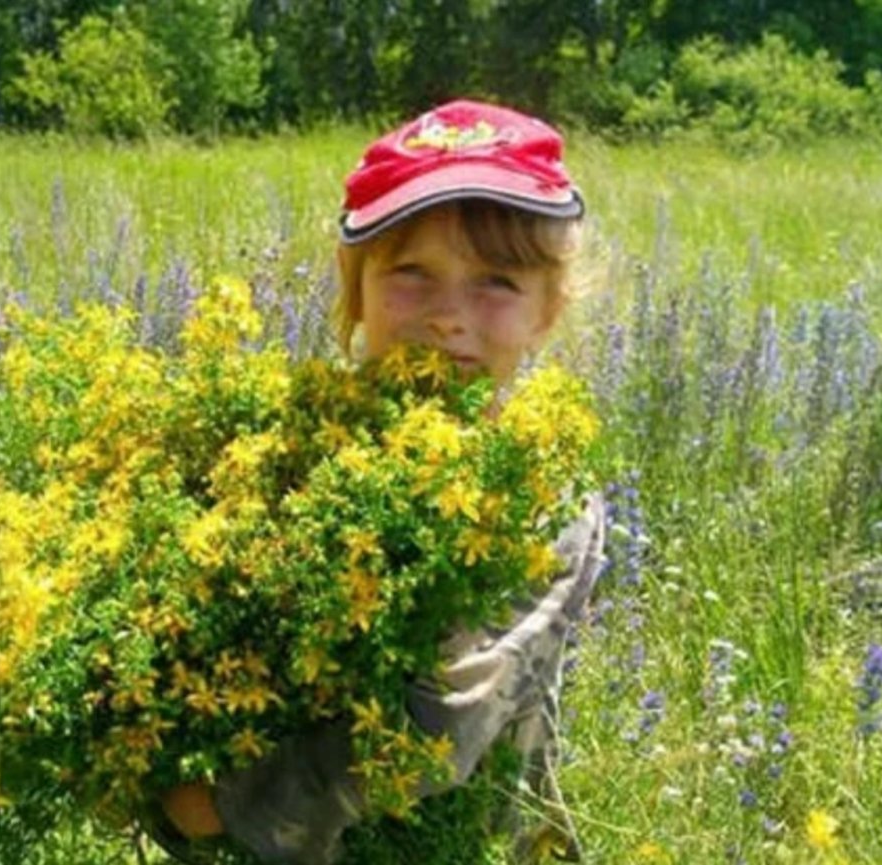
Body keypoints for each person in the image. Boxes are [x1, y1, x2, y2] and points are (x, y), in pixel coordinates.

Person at [149, 100, 607, 864]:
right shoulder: (287, 450)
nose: (449, 317)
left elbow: (436, 730)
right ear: (353, 286)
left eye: (496, 280)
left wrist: (213, 806)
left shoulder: (542, 497)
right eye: (411, 273)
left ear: (549, 310)